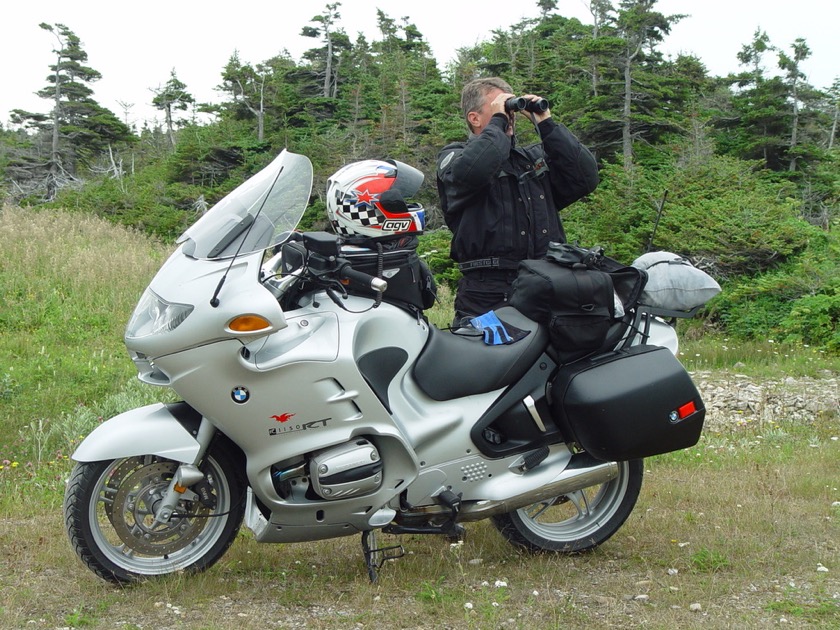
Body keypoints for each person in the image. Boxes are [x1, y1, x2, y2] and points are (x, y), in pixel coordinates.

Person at [436, 77, 600, 323]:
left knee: (555, 361)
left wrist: (545, 122)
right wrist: (499, 122)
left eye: (510, 108)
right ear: (475, 118)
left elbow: (585, 177)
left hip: (545, 284)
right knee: (490, 360)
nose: (509, 115)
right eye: (499, 107)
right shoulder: (455, 158)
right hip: (487, 292)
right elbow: (476, 170)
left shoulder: (532, 159)